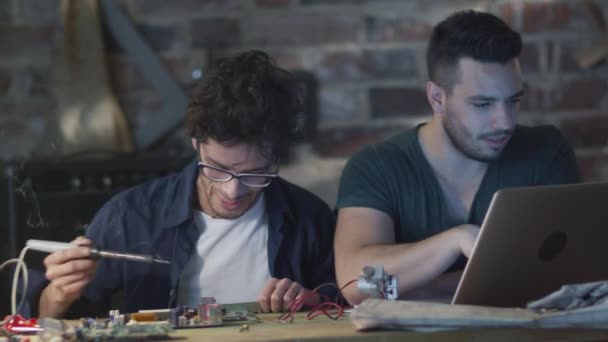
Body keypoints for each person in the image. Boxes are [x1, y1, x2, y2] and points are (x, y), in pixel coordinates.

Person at [24, 50, 336, 318]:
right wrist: (59, 294)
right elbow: (48, 320)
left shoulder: (309, 218)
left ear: (276, 159)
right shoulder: (131, 215)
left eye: (255, 174)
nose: (233, 191)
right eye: (218, 168)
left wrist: (313, 300)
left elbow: (345, 310)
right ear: (195, 143)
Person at [334, 10, 580, 305]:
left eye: (513, 100)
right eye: (483, 104)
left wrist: (414, 289)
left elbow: (564, 277)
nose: (504, 122)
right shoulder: (375, 166)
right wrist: (455, 240)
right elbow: (354, 283)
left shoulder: (545, 151)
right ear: (437, 98)